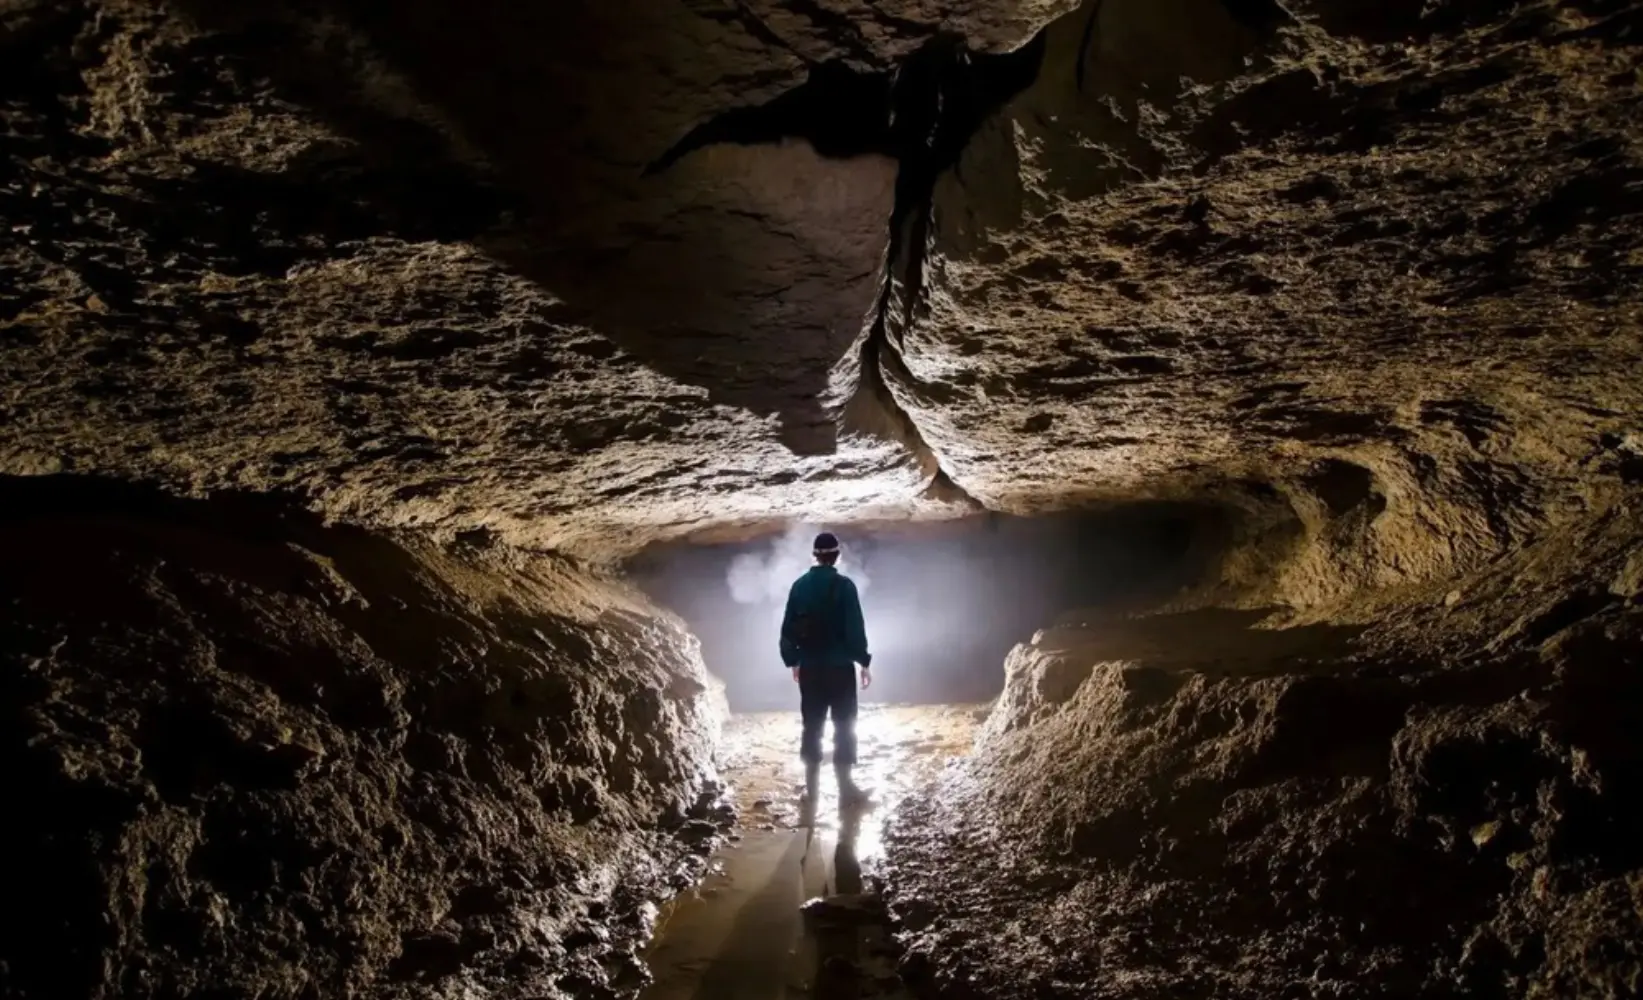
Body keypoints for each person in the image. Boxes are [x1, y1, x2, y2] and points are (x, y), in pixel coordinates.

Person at [779, 531, 872, 804]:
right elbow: (855, 627)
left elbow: (787, 629)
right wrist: (863, 661)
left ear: (814, 555)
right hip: (840, 668)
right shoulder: (845, 586)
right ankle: (846, 789)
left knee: (812, 724)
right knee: (844, 724)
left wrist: (794, 660)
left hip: (810, 668)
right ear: (837, 556)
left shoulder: (799, 586)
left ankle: (811, 790)